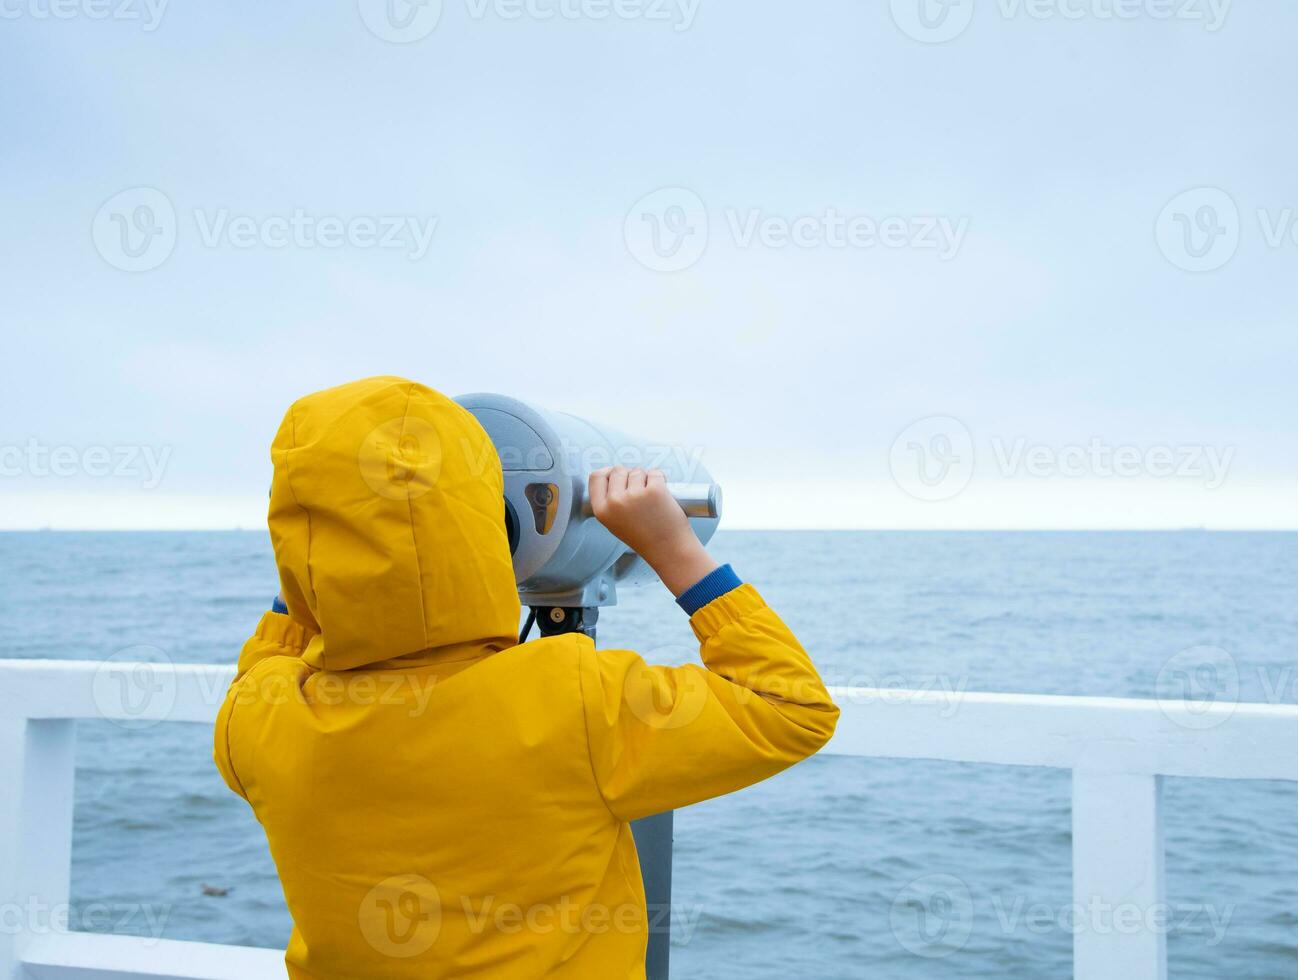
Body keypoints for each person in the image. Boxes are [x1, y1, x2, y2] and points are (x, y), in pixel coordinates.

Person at [212, 376, 839, 978]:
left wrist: (320, 555)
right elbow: (791, 708)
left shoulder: (261, 719)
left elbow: (274, 648)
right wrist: (675, 550)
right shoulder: (575, 702)